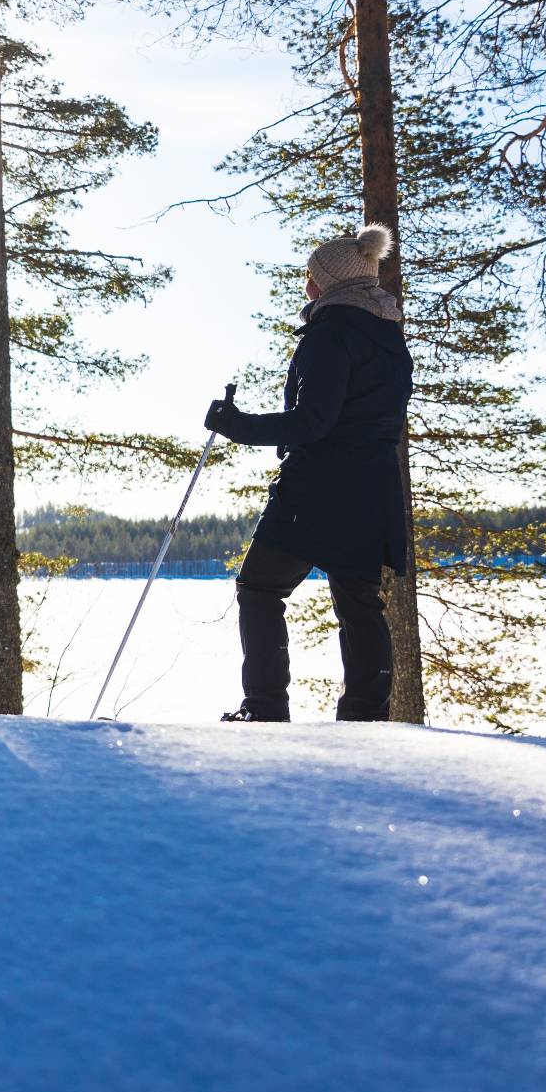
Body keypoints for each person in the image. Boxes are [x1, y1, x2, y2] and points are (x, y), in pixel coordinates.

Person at [203, 223, 415, 723]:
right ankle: (366, 718)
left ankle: (266, 709)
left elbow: (313, 422)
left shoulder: (333, 331)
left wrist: (237, 425)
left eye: (310, 276)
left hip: (319, 488)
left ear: (328, 283)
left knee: (259, 588)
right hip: (374, 488)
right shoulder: (388, 336)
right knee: (359, 603)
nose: (306, 284)